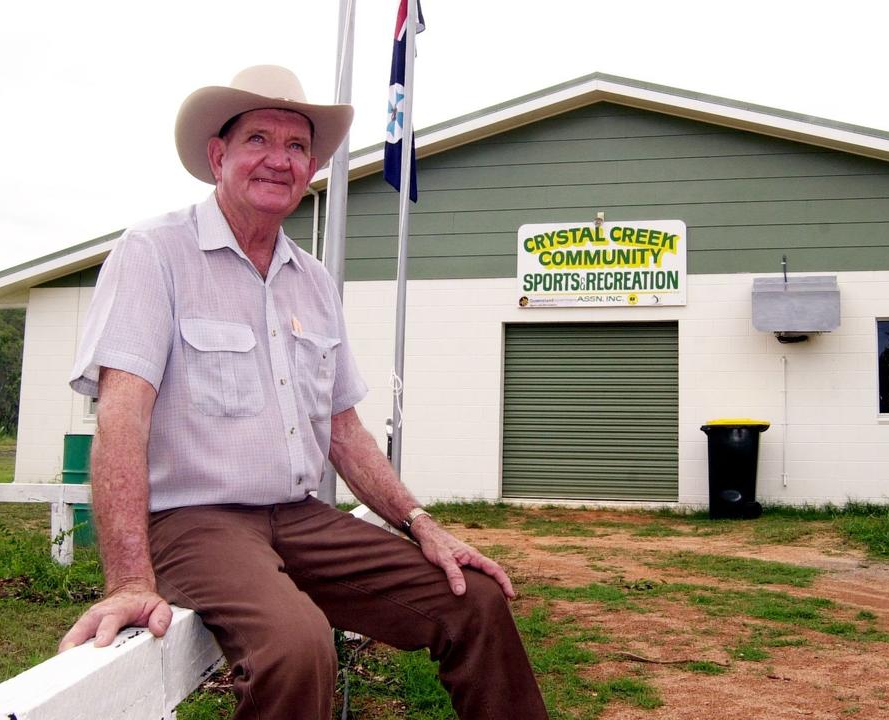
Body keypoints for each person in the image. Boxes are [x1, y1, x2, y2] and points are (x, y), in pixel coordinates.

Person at [61, 65, 548, 720]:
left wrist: (420, 522)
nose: (279, 160)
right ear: (218, 156)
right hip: (195, 519)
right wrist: (127, 581)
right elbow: (122, 419)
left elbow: (343, 432)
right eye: (259, 139)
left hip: (299, 515)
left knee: (474, 601)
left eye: (297, 147)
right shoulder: (154, 254)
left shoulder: (312, 280)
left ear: (312, 168)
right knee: (295, 646)